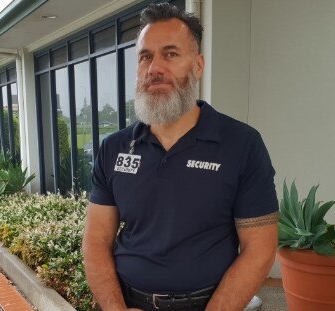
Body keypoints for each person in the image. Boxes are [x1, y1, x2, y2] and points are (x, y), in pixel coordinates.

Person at [82, 3, 278, 310]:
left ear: (198, 65)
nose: (154, 67)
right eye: (145, 56)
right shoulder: (114, 148)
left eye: (170, 54)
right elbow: (96, 241)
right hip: (128, 301)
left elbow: (260, 247)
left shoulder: (241, 144)